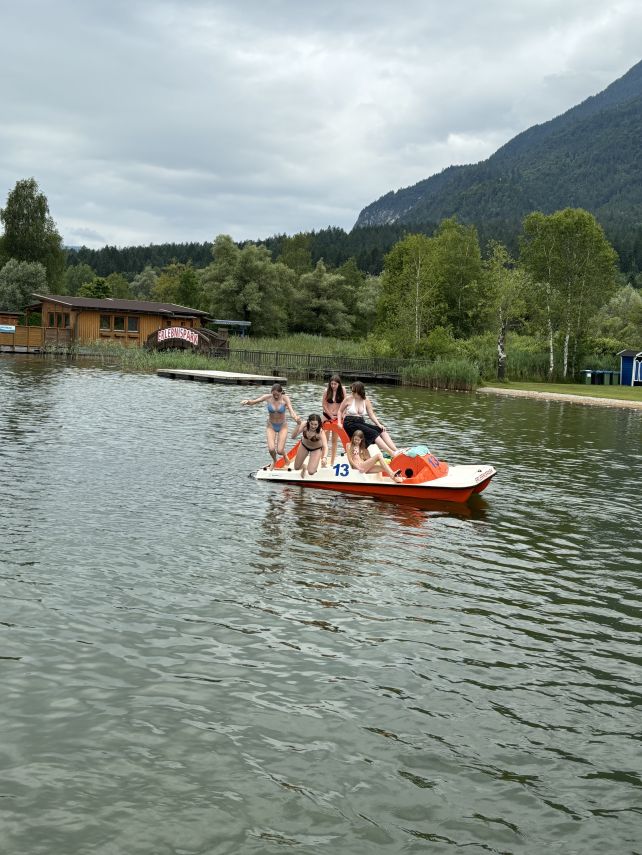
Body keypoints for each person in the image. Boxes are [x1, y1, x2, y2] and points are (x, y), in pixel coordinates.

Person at [241, 383, 300, 469]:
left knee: (279, 450)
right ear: (271, 392)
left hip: (282, 426)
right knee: (271, 449)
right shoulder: (267, 397)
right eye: (274, 394)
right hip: (271, 426)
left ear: (281, 392)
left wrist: (296, 418)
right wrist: (247, 402)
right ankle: (274, 460)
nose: (275, 396)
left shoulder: (285, 398)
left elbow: (291, 410)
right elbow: (254, 402)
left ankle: (285, 456)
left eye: (277, 394)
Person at [337, 381, 398, 456]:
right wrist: (339, 423)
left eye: (354, 391)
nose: (352, 393)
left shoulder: (366, 400)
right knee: (373, 433)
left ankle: (396, 450)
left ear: (359, 391)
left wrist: (379, 424)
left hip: (360, 423)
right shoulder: (348, 399)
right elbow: (340, 411)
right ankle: (392, 453)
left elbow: (371, 415)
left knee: (381, 430)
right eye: (352, 391)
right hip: (350, 423)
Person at [290, 413, 328, 477]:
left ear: (319, 424)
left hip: (316, 449)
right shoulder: (304, 425)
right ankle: (304, 466)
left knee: (311, 472)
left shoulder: (320, 432)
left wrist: (324, 457)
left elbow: (325, 446)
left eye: (315, 424)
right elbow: (293, 436)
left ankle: (313, 467)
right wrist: (298, 425)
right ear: (308, 422)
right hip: (304, 446)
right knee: (296, 468)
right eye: (311, 424)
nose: (313, 426)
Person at [321, 374, 346, 465]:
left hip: (337, 417)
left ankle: (332, 461)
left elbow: (344, 404)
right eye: (331, 384)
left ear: (339, 384)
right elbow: (324, 405)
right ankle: (323, 460)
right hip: (327, 416)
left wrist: (341, 415)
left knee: (334, 440)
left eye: (335, 384)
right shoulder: (326, 391)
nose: (333, 386)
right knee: (325, 440)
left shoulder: (342, 390)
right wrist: (330, 415)